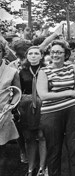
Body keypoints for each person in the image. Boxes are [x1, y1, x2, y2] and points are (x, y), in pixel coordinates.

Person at [36, 40, 75, 176]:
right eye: (53, 52)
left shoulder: (71, 67)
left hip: (72, 110)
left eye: (59, 52)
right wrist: (69, 93)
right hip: (51, 113)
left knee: (74, 146)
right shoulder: (44, 71)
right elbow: (43, 95)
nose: (55, 55)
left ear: (65, 54)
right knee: (54, 148)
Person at [18, 46, 47, 176]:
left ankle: (42, 167)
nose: (33, 56)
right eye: (31, 53)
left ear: (41, 56)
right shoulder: (22, 72)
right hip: (27, 107)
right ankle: (31, 167)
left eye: (36, 53)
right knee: (29, 138)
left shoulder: (46, 70)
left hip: (43, 104)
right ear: (27, 56)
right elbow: (18, 91)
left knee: (42, 136)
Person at [0, 42, 22, 176]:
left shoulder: (12, 71)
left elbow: (17, 93)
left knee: (1, 150)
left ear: (3, 53)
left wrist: (11, 106)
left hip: (3, 115)